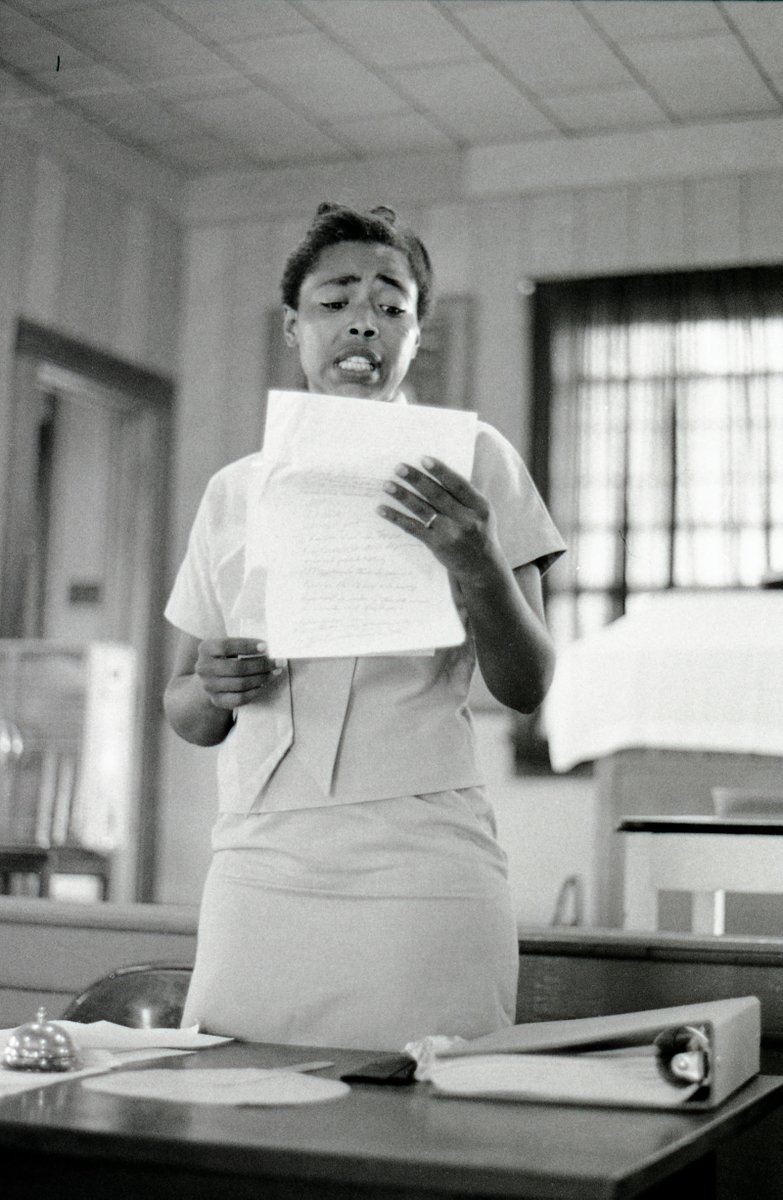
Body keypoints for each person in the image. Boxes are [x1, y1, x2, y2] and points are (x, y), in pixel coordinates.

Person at [163, 202, 565, 1051]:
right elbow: (185, 711)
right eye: (335, 300)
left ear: (416, 336)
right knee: (233, 1095)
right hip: (260, 860)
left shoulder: (473, 462)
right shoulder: (233, 491)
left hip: (420, 855)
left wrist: (478, 564)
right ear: (293, 327)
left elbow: (528, 685)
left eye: (391, 306)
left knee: (425, 1104)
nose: (363, 322)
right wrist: (212, 684)